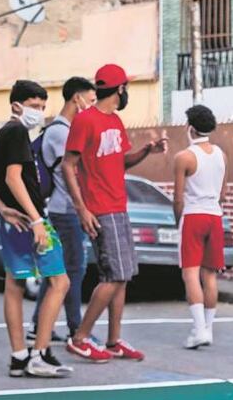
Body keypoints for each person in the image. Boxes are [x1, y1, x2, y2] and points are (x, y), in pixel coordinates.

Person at [62, 64, 168, 363]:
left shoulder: (116, 122)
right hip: (99, 208)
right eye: (126, 87)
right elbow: (68, 165)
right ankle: (80, 338)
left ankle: (113, 340)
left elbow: (120, 161)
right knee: (114, 275)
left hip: (119, 206)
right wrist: (81, 208)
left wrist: (147, 150)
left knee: (122, 276)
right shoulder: (85, 121)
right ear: (120, 89)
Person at [0, 79, 72, 378]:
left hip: (11, 221)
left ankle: (18, 356)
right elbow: (12, 178)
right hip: (30, 220)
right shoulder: (18, 131)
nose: (39, 112)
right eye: (34, 106)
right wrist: (36, 220)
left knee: (14, 285)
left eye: (43, 107)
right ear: (16, 105)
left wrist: (2, 209)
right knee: (60, 282)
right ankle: (40, 352)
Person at [27, 76, 96, 343]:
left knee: (56, 271)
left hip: (65, 209)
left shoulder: (64, 130)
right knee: (74, 270)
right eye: (89, 101)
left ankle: (37, 324)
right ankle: (76, 329)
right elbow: (72, 172)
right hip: (64, 210)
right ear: (75, 99)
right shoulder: (60, 132)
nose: (91, 106)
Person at [173, 104, 227, 350]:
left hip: (193, 216)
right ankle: (209, 328)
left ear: (191, 128)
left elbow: (178, 197)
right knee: (210, 275)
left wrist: (178, 220)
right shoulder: (221, 155)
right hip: (214, 216)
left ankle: (199, 330)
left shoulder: (184, 157)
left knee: (190, 274)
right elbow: (223, 192)